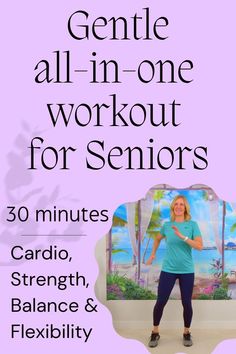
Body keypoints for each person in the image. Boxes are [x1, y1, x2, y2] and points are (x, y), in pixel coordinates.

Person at [146, 194, 203, 348]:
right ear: (173, 207)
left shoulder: (192, 225)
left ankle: (186, 332)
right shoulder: (166, 226)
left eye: (181, 204)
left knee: (186, 303)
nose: (178, 207)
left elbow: (199, 246)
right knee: (161, 301)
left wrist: (182, 237)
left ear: (185, 208)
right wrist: (152, 254)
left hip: (186, 270)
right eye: (176, 204)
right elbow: (157, 238)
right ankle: (155, 332)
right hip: (168, 269)